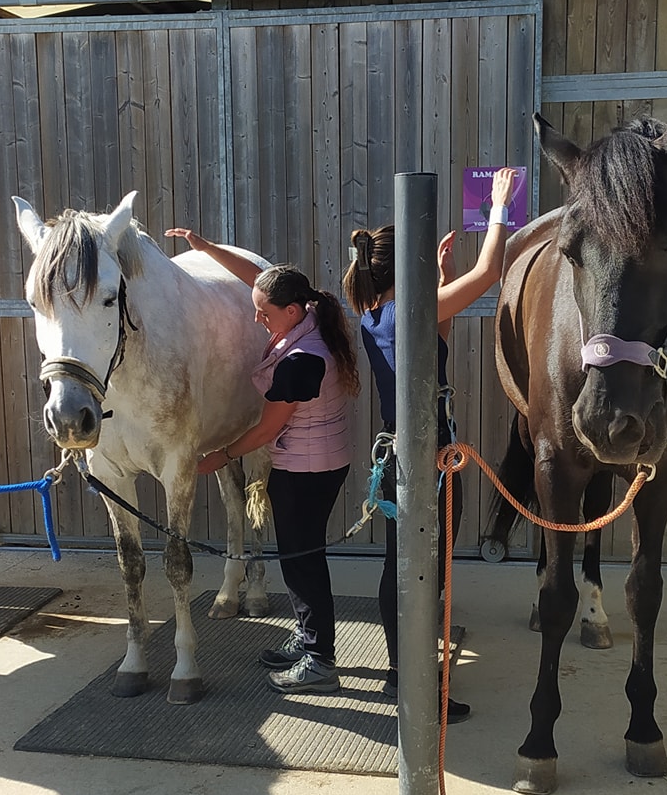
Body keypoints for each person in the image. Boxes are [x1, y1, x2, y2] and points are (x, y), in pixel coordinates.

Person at [342, 166, 517, 722]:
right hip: (427, 460)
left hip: (410, 454)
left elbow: (430, 343)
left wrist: (441, 272)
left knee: (408, 564)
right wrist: (497, 205)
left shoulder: (374, 312)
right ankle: (414, 683)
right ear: (407, 268)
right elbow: (490, 270)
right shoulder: (409, 309)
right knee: (421, 570)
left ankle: (407, 672)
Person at [165, 227, 360, 694]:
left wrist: (221, 456)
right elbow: (261, 279)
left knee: (302, 562)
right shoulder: (307, 314)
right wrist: (208, 250)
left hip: (307, 470)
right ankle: (309, 638)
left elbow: (268, 430)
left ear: (290, 311)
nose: (256, 319)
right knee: (300, 558)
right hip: (320, 461)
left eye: (263, 313)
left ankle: (319, 661)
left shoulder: (300, 361)